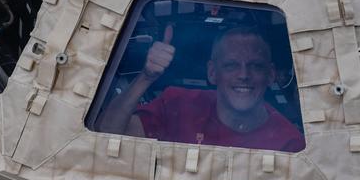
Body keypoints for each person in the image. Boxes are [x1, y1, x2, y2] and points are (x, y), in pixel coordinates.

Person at [99, 24, 305, 152]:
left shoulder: (288, 143)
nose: (244, 75)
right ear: (213, 73)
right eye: (231, 65)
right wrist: (146, 77)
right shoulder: (177, 104)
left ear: (270, 75)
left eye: (255, 66)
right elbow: (108, 132)